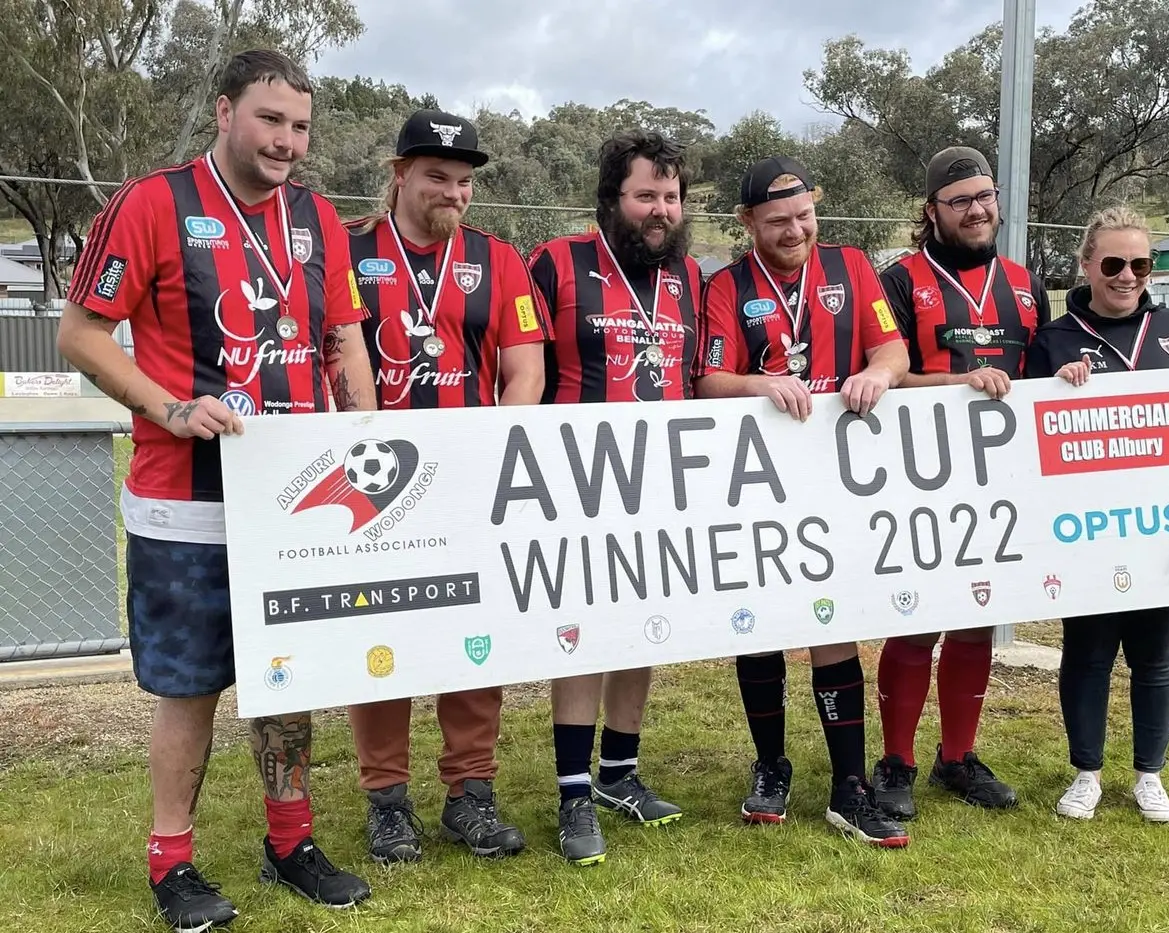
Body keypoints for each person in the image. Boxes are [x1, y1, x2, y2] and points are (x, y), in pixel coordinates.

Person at [55, 49, 375, 930]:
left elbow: (344, 336)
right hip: (183, 502)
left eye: (301, 126)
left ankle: (292, 839)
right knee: (190, 686)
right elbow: (81, 333)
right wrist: (169, 405)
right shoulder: (152, 201)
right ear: (226, 112)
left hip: (297, 500)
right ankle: (173, 857)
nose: (287, 142)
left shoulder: (318, 218)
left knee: (289, 681)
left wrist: (364, 435)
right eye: (271, 120)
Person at [342, 109, 548, 864]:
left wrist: (495, 439)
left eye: (463, 182)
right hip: (376, 486)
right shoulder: (349, 247)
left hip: (468, 479)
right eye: (436, 177)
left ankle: (472, 794)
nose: (453, 194)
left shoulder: (497, 259)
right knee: (382, 636)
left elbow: (526, 366)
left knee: (473, 637)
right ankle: (387, 800)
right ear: (399, 174)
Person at [694, 155, 912, 847]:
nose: (795, 229)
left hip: (834, 478)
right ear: (748, 221)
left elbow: (894, 351)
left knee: (832, 619)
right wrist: (759, 387)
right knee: (757, 623)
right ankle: (770, 764)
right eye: (778, 219)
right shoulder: (726, 285)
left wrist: (877, 372)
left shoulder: (851, 267)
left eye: (804, 215)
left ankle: (850, 784)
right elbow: (708, 379)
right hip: (755, 480)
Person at [526, 130, 701, 865]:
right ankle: (572, 791)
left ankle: (619, 775)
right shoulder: (554, 263)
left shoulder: (689, 274)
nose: (660, 210)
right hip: (576, 485)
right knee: (584, 631)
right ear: (611, 199)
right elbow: (523, 368)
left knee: (641, 626)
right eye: (645, 196)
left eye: (670, 197)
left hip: (661, 484)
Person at [1025, 205, 1169, 823]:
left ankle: (1149, 776)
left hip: (1164, 531)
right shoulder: (1055, 339)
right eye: (1113, 263)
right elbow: (1028, 438)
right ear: (1086, 265)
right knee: (1087, 654)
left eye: (1140, 264)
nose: (1128, 276)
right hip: (1088, 534)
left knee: (1157, 659)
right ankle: (1086, 772)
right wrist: (1057, 389)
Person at [870, 146, 1051, 820]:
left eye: (984, 196)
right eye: (959, 200)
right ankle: (896, 760)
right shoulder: (898, 279)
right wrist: (959, 383)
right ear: (931, 211)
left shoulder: (1025, 281)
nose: (976, 210)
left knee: (976, 621)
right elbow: (882, 373)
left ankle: (957, 756)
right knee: (915, 620)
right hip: (918, 477)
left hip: (998, 482)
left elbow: (1043, 375)